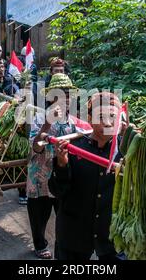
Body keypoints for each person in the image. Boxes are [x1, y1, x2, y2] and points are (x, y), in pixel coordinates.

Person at [52, 91, 124, 260]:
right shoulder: (73, 148)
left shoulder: (126, 151)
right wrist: (61, 164)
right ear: (89, 119)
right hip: (73, 234)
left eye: (113, 116)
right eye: (101, 116)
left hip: (112, 236)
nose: (107, 122)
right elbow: (56, 191)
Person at [26, 73, 79, 259]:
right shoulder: (39, 117)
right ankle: (39, 244)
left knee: (64, 215)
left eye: (67, 93)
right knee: (39, 216)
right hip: (40, 177)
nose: (64, 97)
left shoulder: (72, 121)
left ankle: (62, 247)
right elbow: (34, 147)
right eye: (60, 93)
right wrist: (47, 124)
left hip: (61, 176)